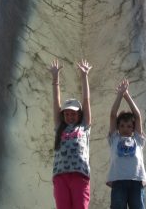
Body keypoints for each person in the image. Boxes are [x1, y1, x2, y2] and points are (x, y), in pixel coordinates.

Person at [48, 58, 93, 209]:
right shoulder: (60, 126)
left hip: (80, 174)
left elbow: (86, 100)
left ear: (79, 114)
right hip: (60, 175)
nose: (70, 116)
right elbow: (56, 101)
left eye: (73, 113)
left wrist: (84, 76)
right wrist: (55, 79)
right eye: (67, 113)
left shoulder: (84, 126)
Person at [107, 79, 146, 209]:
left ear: (133, 128)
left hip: (136, 180)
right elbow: (113, 115)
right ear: (118, 127)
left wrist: (127, 95)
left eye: (129, 126)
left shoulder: (137, 139)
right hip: (119, 180)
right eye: (122, 126)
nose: (126, 128)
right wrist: (120, 95)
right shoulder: (115, 138)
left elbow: (137, 116)